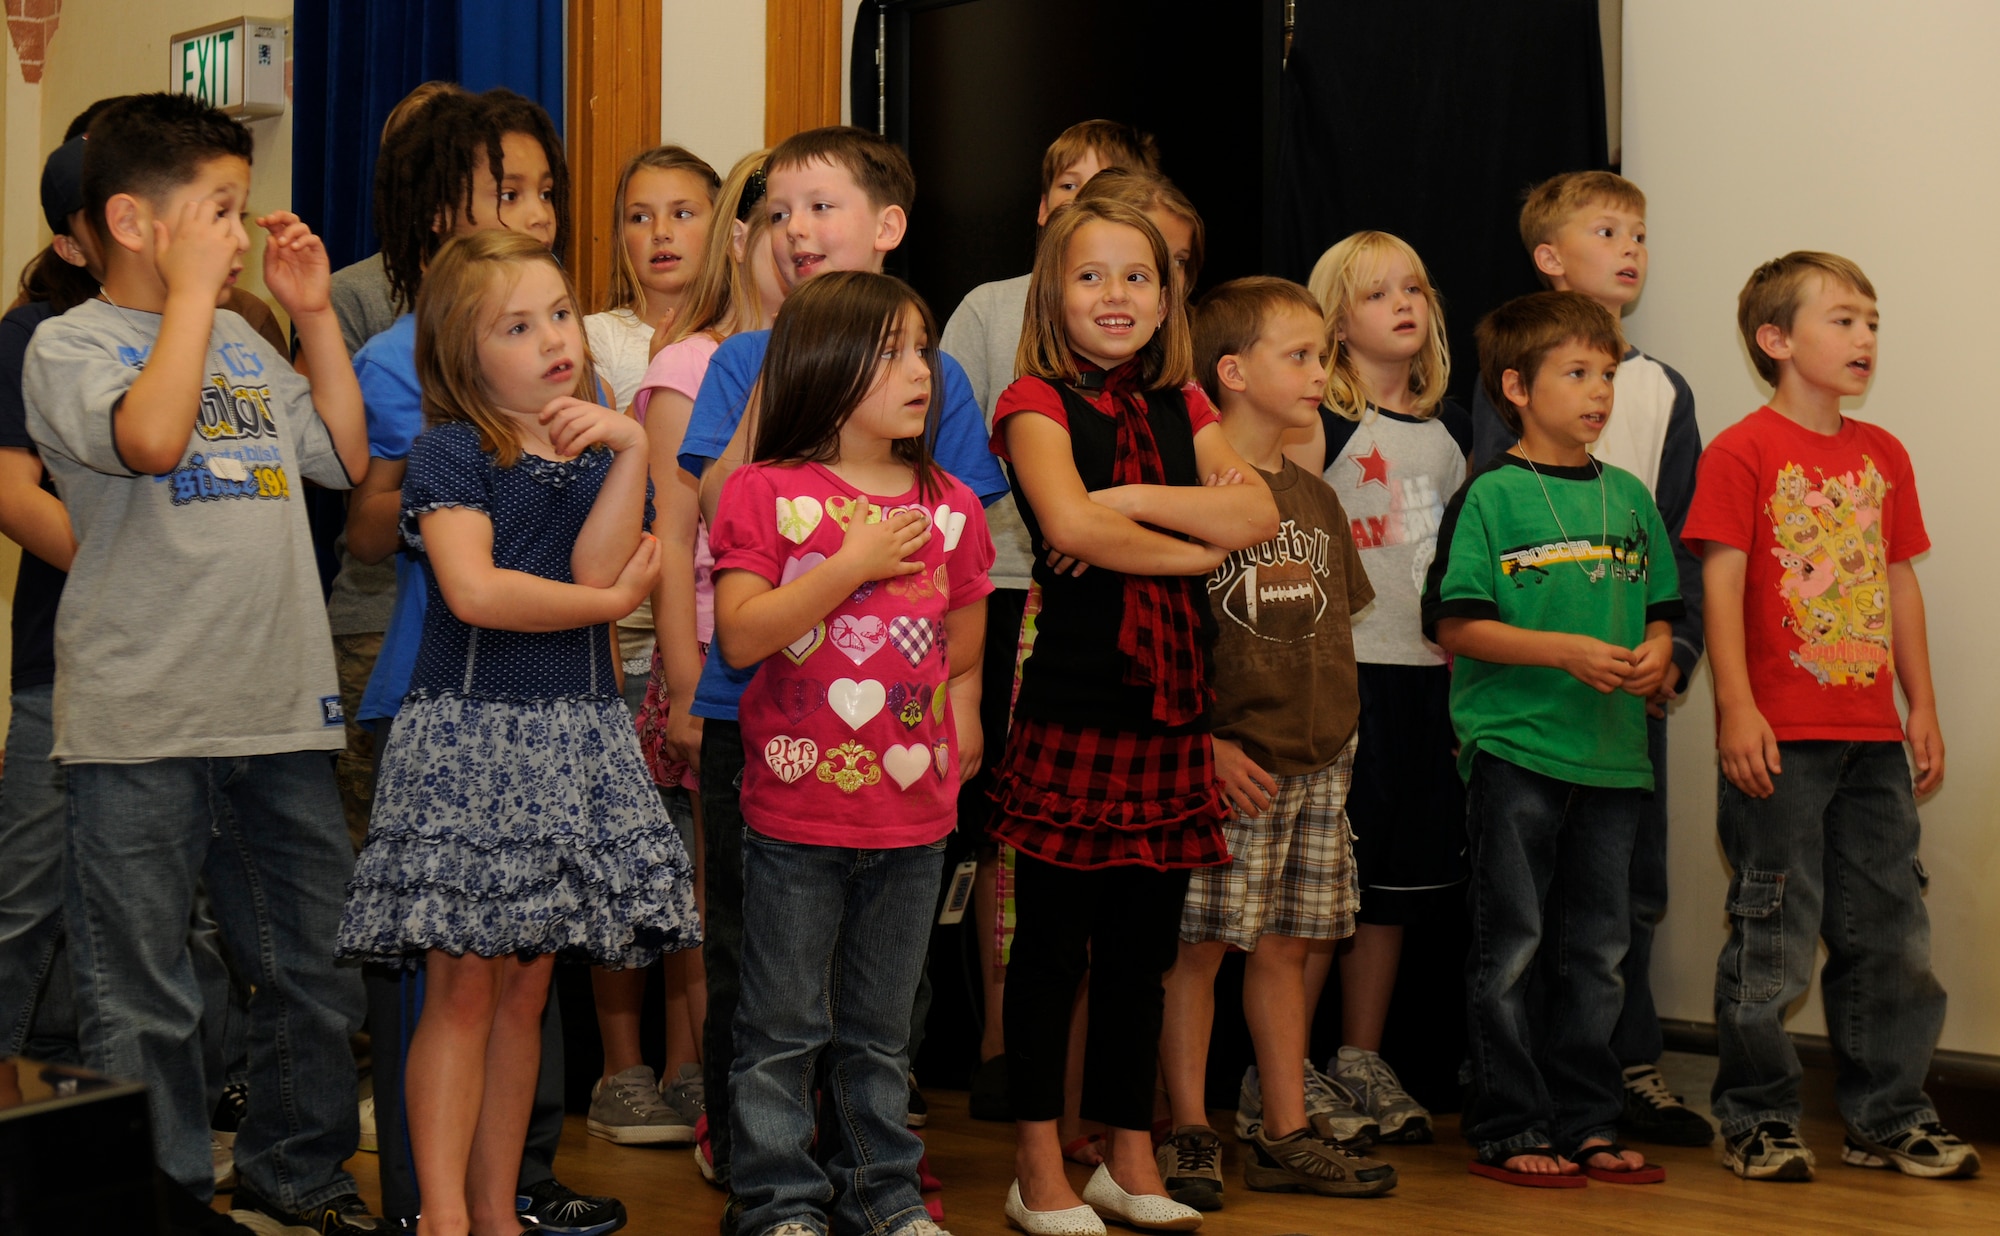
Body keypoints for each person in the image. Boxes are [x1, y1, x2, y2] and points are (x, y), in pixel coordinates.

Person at [20, 91, 383, 1233]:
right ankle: (164, 1196)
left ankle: (297, 1169)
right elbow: (150, 439)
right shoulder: (67, 345)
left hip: (275, 713)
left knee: (312, 970)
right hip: (141, 726)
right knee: (144, 992)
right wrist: (188, 299)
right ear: (134, 221)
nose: (241, 231)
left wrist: (313, 316)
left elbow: (340, 453)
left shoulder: (235, 336)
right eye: (218, 210)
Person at [673, 125, 1010, 1229]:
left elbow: (961, 642)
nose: (922, 373)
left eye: (923, 353)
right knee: (777, 1022)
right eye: (896, 355)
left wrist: (959, 729)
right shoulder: (762, 496)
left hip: (910, 817)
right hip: (791, 807)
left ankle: (883, 1193)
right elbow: (743, 636)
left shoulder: (948, 504)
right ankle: (775, 1198)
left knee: (879, 1024)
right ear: (824, 370)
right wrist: (852, 563)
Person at [336, 229, 699, 1236]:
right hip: (475, 743)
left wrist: (629, 447)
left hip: (574, 739)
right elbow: (475, 589)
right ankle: (443, 1215)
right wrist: (603, 605)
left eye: (559, 314)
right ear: (463, 351)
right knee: (460, 993)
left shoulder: (591, 443)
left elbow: (600, 565)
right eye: (517, 324)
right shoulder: (454, 449)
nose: (552, 339)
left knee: (525, 996)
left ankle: (498, 1212)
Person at [991, 196, 1277, 1235]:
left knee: (1138, 953)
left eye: (1137, 278)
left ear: (1166, 299)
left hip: (1170, 709)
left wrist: (1117, 508)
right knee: (1052, 951)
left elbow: (1255, 513)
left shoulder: (1184, 405)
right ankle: (1036, 1165)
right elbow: (1065, 523)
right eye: (1090, 276)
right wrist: (1186, 543)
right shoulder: (1032, 400)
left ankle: (1125, 1152)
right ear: (1051, 293)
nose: (1115, 296)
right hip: (1075, 702)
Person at [1683, 251, 1976, 1182]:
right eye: (1842, 320)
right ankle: (1758, 1117)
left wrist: (1920, 704)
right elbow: (1719, 584)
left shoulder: (1882, 453)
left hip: (1871, 740)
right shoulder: (1743, 449)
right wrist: (1736, 707)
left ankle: (1887, 1117)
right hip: (1781, 735)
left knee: (1891, 932)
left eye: (1872, 323)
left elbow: (1897, 583)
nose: (1864, 339)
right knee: (1772, 928)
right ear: (1776, 341)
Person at [1468, 171, 1711, 1146]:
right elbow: (1496, 516)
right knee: (1523, 901)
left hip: (1627, 692)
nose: (1629, 247)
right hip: (1532, 695)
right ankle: (1515, 1093)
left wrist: (1672, 645)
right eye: (1605, 229)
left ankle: (1623, 1068)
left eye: (1639, 233)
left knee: (1625, 892)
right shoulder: (1515, 373)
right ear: (1546, 256)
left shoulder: (1661, 389)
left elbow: (1678, 540)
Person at [1423, 290, 1679, 1189]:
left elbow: (1663, 623)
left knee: (1599, 955)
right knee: (1515, 948)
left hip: (1614, 760)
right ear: (1517, 388)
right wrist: (1562, 651)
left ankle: (1589, 1121)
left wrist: (1657, 659)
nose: (1599, 390)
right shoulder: (1491, 498)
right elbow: (1454, 625)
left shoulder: (1631, 498)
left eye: (1606, 373)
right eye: (1577, 373)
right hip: (1516, 753)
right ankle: (1509, 1122)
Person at [934, 117, 1159, 1130]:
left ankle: (1088, 1093)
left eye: (1111, 186)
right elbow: (960, 447)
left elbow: (1204, 496)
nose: (1087, 199)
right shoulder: (988, 311)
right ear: (1041, 207)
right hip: (1006, 582)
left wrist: (1098, 517)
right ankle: (997, 1044)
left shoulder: (1159, 366)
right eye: (1069, 184)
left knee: (1101, 859)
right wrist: (1066, 510)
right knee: (1006, 832)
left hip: (1119, 590)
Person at [1155, 276, 1396, 1210]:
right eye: (1299, 356)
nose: (1319, 374)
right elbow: (1169, 642)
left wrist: (1339, 735)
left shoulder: (1318, 499)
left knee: (1290, 948)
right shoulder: (1191, 494)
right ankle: (1187, 1129)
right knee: (1201, 949)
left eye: (1321, 355)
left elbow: (1333, 626)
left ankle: (1285, 1130)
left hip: (1317, 763)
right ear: (1232, 372)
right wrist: (1204, 745)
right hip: (1232, 768)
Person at [597, 150, 780, 1152]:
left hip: (797, 658)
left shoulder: (823, 353)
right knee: (685, 887)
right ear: (742, 238)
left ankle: (727, 1094)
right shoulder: (687, 364)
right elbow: (673, 534)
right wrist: (682, 678)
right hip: (702, 652)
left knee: (750, 900)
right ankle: (707, 1099)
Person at [1297, 231, 1472, 1145]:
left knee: (1397, 885)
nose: (1404, 304)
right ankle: (1284, 1068)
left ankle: (1360, 1057)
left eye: (1415, 287)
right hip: (1341, 678)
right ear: (1335, 322)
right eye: (1377, 295)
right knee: (1331, 884)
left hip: (1420, 680)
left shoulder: (1446, 442)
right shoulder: (1318, 425)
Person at [578, 143, 725, 1149]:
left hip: (711, 633)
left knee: (698, 869)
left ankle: (688, 1062)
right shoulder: (590, 340)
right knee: (622, 862)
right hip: (612, 634)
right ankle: (619, 1066)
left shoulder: (737, 340)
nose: (660, 233)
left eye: (682, 212)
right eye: (639, 214)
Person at [0, 137, 98, 1072]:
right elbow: (11, 491)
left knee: (168, 913)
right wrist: (125, 572)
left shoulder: (219, 329)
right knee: (26, 896)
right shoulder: (32, 334)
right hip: (61, 661)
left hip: (182, 674)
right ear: (74, 241)